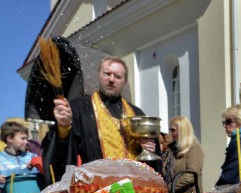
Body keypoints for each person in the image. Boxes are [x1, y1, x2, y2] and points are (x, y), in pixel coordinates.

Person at [43, 56, 158, 185]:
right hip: (98, 188)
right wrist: (63, 127)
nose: (111, 79)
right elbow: (63, 153)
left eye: (117, 76)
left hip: (135, 187)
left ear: (124, 81)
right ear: (99, 75)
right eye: (107, 74)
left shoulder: (137, 114)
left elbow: (153, 160)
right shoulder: (79, 108)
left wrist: (149, 149)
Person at [0, 121, 40, 193]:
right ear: (10, 138)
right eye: (23, 138)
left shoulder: (33, 157)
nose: (26, 142)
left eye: (26, 139)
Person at [162, 116, 204, 193]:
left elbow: (191, 175)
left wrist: (169, 187)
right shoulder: (171, 149)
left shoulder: (194, 148)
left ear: (182, 131)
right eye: (170, 130)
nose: (170, 133)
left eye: (173, 130)